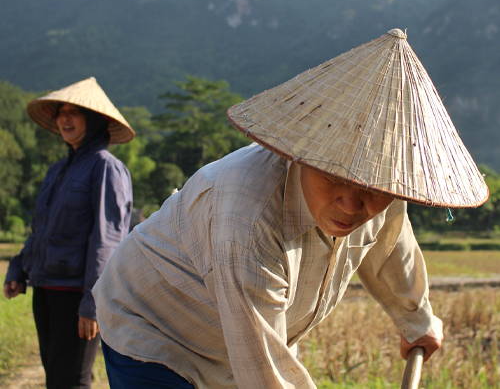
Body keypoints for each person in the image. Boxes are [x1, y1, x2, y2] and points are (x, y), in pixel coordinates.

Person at [93, 29, 488, 389]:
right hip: (158, 330)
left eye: (372, 191)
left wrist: (416, 321)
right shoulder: (246, 216)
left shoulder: (385, 184)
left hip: (240, 341)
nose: (352, 205)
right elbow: (266, 374)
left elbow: (390, 251)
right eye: (335, 178)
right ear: (302, 155)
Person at [3, 77, 135, 389]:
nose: (64, 119)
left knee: (72, 380)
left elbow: (108, 240)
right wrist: (19, 267)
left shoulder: (106, 168)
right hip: (46, 290)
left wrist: (92, 303)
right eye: (60, 112)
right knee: (56, 377)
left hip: (77, 294)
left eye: (74, 112)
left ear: (93, 119)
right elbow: (43, 229)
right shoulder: (57, 170)